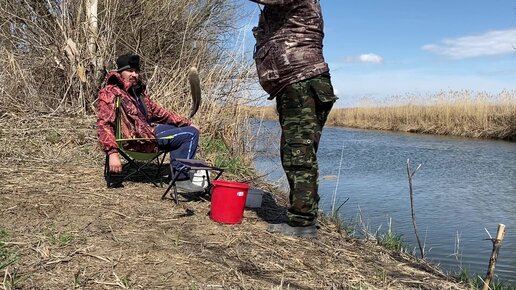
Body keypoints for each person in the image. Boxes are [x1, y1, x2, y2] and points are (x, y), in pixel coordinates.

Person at [250, 0, 338, 237]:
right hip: (297, 83)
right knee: (295, 151)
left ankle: (302, 222)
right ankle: (302, 215)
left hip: (301, 80)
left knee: (298, 153)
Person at [97, 53, 203, 193]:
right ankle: (181, 179)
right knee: (190, 135)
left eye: (136, 71)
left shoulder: (138, 92)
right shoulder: (111, 93)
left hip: (147, 133)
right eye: (130, 71)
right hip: (137, 141)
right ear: (120, 72)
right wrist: (112, 153)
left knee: (187, 129)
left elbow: (159, 113)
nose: (134, 74)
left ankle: (178, 171)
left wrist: (186, 123)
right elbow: (104, 124)